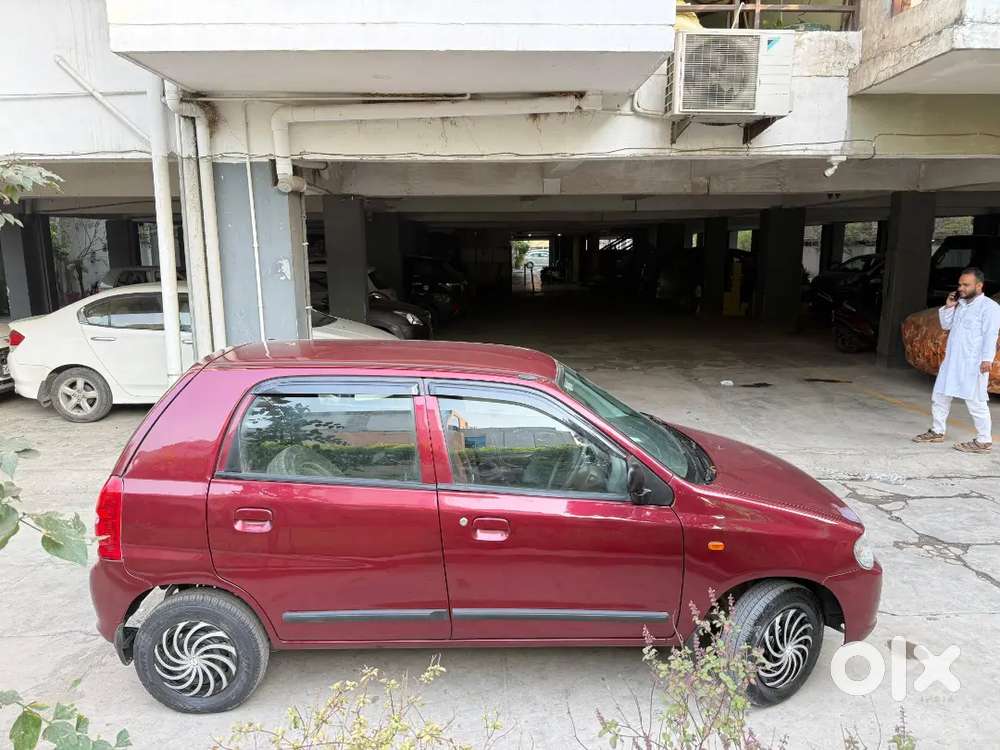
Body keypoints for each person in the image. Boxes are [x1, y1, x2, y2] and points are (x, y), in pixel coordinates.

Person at [913, 267, 1000, 453]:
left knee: (976, 402)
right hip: (952, 361)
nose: (961, 288)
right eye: (960, 284)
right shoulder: (961, 304)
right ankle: (937, 431)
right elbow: (946, 325)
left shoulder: (990, 308)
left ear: (979, 285)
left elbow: (990, 335)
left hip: (974, 363)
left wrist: (987, 359)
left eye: (966, 285)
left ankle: (983, 441)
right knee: (940, 396)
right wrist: (949, 306)